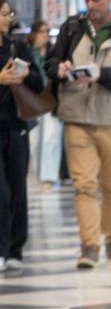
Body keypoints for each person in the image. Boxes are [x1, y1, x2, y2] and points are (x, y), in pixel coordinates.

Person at [45, 0, 111, 269]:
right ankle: (89, 246)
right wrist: (60, 68)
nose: (91, 5)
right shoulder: (72, 27)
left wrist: (102, 75)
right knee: (83, 185)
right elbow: (50, 62)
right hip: (76, 116)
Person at [0, 0, 43, 272]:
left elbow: (39, 83)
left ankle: (15, 247)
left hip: (16, 126)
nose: (8, 19)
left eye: (9, 14)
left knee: (17, 188)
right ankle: (1, 248)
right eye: (4, 14)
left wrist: (26, 74)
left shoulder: (18, 46)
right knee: (1, 192)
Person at [27, 19, 63, 188]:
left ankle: (48, 176)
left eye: (47, 32)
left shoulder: (54, 52)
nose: (45, 35)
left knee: (51, 138)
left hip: (51, 99)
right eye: (41, 32)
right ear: (34, 34)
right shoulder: (26, 52)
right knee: (34, 140)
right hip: (31, 100)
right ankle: (36, 172)